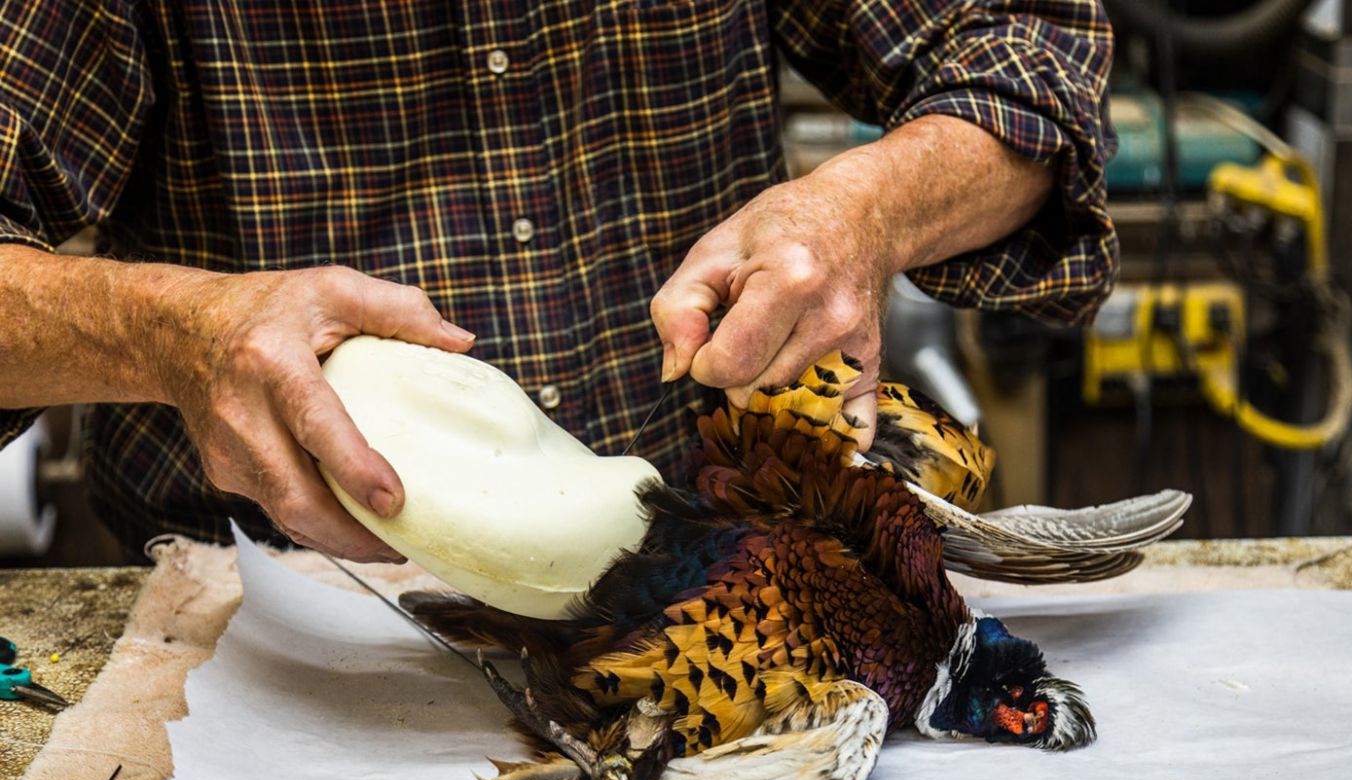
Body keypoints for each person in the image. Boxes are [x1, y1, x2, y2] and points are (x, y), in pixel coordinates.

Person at [0, 1, 1116, 563]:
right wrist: (175, 333)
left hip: (721, 577)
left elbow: (1025, 58)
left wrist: (865, 208)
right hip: (277, 616)